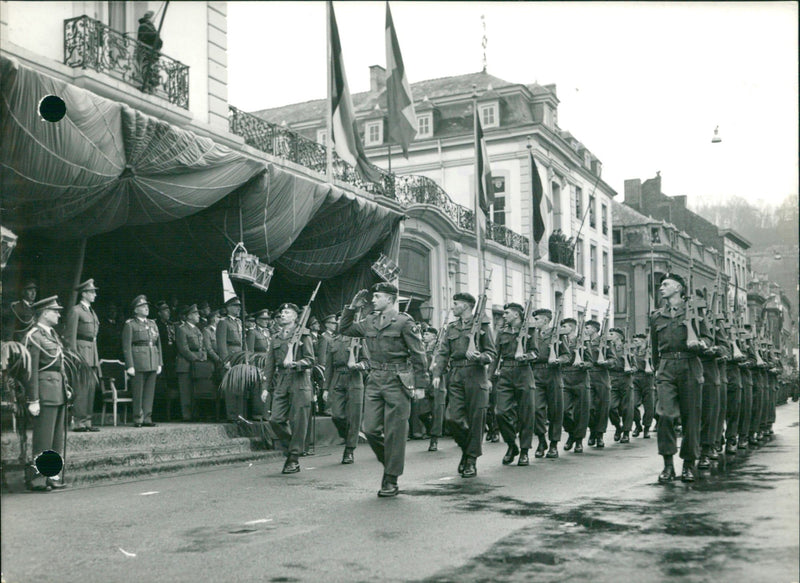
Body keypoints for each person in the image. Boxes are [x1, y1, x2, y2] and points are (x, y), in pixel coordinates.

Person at [339, 283, 428, 497]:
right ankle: (390, 461)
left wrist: (421, 385)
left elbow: (418, 354)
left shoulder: (405, 323)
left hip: (398, 380)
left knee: (395, 432)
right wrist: (351, 308)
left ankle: (390, 478)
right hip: (375, 378)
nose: (373, 300)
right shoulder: (369, 321)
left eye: (377, 296)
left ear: (390, 299)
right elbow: (344, 329)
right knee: (369, 428)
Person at [650, 273, 712, 483]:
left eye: (665, 284)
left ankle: (688, 464)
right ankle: (668, 466)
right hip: (666, 367)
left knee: (691, 418)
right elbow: (653, 349)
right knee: (665, 415)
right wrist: (658, 369)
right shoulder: (657, 316)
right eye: (661, 285)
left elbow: (708, 339)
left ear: (678, 288)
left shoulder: (695, 313)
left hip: (690, 364)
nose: (661, 288)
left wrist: (701, 344)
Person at [431, 292, 496, 478]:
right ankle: (467, 449)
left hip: (476, 374)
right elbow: (443, 353)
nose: (453, 306)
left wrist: (481, 357)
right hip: (456, 375)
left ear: (467, 306)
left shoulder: (482, 326)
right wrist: (437, 373)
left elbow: (491, 352)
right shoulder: (451, 328)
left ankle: (471, 460)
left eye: (456, 303)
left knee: (476, 419)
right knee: (452, 418)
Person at [22, 296, 70, 491]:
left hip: (57, 391)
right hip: (44, 392)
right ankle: (37, 479)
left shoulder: (52, 334)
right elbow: (30, 370)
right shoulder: (34, 336)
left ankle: (52, 476)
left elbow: (60, 365)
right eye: (55, 311)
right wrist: (33, 398)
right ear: (44, 313)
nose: (58, 314)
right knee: (43, 438)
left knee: (56, 438)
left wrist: (65, 386)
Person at [262, 303, 314, 475]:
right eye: (282, 312)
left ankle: (293, 458)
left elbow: (310, 360)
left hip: (300, 380)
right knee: (275, 419)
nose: (283, 314)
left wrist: (296, 364)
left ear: (295, 317)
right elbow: (269, 365)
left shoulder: (303, 335)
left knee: (299, 421)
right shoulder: (276, 338)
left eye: (287, 312)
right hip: (282, 380)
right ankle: (294, 447)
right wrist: (265, 388)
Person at [491, 302, 536, 466]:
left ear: (516, 314)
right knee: (500, 412)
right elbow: (496, 356)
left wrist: (526, 356)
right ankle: (511, 445)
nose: (504, 315)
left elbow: (535, 352)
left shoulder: (530, 331)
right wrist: (490, 378)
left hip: (524, 372)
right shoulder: (502, 333)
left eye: (507, 313)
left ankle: (524, 451)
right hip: (506, 373)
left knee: (526, 414)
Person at [324, 313, 368, 464]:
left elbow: (367, 361)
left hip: (354, 378)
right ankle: (347, 434)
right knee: (337, 415)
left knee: (354, 416)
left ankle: (349, 450)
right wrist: (325, 388)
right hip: (337, 378)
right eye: (339, 319)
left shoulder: (359, 339)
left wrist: (359, 366)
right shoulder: (333, 341)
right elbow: (328, 366)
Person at [529, 308, 571, 459]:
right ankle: (541, 439)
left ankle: (553, 443)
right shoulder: (531, 334)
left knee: (555, 410)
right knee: (536, 409)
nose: (534, 322)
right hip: (535, 373)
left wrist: (559, 360)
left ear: (545, 321)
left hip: (553, 373)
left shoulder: (557, 334)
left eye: (537, 319)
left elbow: (567, 355)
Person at [63, 279, 101, 432]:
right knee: (81, 388)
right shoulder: (76, 310)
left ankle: (87, 421)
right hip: (80, 352)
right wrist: (73, 356)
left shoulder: (91, 311)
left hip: (91, 351)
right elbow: (70, 335)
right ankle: (79, 421)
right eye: (92, 292)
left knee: (90, 388)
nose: (95, 295)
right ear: (84, 294)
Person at [122, 295, 163, 428]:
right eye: (142, 306)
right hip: (138, 360)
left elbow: (159, 344)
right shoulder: (130, 324)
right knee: (138, 391)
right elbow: (126, 346)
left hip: (152, 359)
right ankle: (138, 418)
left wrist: (159, 362)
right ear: (135, 310)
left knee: (149, 391)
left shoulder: (152, 323)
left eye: (146, 306)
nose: (146, 308)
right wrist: (130, 365)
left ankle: (147, 417)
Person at [560, 317, 590, 454]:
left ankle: (578, 440)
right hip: (564, 377)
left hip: (580, 378)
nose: (562, 328)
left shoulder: (583, 341)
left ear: (571, 328)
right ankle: (571, 432)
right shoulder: (559, 340)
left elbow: (591, 361)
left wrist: (584, 364)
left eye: (565, 326)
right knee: (563, 410)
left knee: (580, 412)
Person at [175, 304, 207, 422]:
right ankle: (186, 415)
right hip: (185, 364)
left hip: (197, 363)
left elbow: (202, 346)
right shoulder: (181, 329)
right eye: (195, 314)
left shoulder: (197, 329)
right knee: (186, 391)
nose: (198, 316)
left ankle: (195, 413)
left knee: (195, 390)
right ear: (189, 316)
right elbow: (183, 348)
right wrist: (196, 359)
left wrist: (203, 356)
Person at [585, 319, 611, 449]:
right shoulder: (584, 341)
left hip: (601, 375)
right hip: (587, 375)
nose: (586, 330)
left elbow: (613, 360)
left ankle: (599, 435)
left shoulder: (605, 342)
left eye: (588, 328)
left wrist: (606, 362)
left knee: (602, 406)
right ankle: (592, 430)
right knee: (588, 407)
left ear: (595, 329)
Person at [217, 297, 244, 420]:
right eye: (235, 306)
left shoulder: (238, 322)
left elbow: (242, 341)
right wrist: (225, 360)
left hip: (240, 356)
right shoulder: (223, 322)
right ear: (228, 308)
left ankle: (240, 414)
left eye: (239, 306)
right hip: (231, 355)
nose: (238, 308)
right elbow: (221, 344)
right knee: (231, 387)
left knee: (240, 386)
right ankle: (232, 415)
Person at [607, 328, 634, 444]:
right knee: (611, 407)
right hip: (612, 378)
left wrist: (630, 369)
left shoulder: (627, 349)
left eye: (611, 334)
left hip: (625, 379)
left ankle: (626, 433)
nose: (609, 336)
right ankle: (618, 427)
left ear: (619, 338)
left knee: (627, 408)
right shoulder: (607, 348)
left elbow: (635, 366)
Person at [422, 326, 447, 452]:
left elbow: (447, 365)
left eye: (427, 334)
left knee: (437, 411)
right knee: (422, 411)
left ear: (434, 336)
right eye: (424, 334)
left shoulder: (441, 348)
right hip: (425, 381)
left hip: (437, 381)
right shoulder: (422, 348)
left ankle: (434, 439)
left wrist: (436, 365)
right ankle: (429, 429)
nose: (424, 336)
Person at [246, 309, 271, 420]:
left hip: (267, 362)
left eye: (267, 319)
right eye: (263, 319)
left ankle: (266, 413)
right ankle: (258, 413)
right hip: (258, 363)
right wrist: (252, 367)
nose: (266, 321)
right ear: (257, 320)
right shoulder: (253, 332)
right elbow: (250, 351)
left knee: (267, 386)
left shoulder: (267, 332)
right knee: (258, 388)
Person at [630, 333, 655, 439]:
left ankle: (646, 428)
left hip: (648, 379)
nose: (634, 343)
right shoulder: (632, 353)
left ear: (643, 342)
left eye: (636, 341)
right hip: (635, 379)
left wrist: (649, 364)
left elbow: (655, 366)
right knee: (633, 404)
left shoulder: (650, 353)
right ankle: (638, 425)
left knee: (649, 406)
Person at [137, 10, 162, 94]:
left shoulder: (150, 27)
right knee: (146, 68)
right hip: (146, 52)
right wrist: (156, 36)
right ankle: (146, 85)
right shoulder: (144, 26)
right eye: (153, 17)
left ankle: (151, 86)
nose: (154, 20)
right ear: (150, 17)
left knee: (152, 70)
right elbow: (145, 37)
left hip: (152, 53)